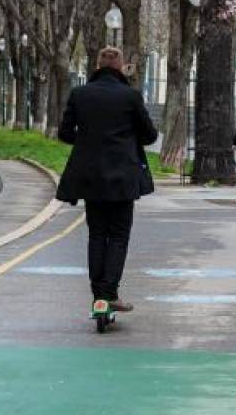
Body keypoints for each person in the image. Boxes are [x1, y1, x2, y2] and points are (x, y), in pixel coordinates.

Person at [56, 47, 159, 313]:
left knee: (97, 234)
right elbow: (149, 136)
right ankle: (110, 293)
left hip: (90, 177)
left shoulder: (80, 94)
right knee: (119, 235)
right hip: (123, 177)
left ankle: (97, 294)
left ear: (98, 66)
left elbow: (65, 133)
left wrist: (89, 141)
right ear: (121, 66)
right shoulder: (131, 97)